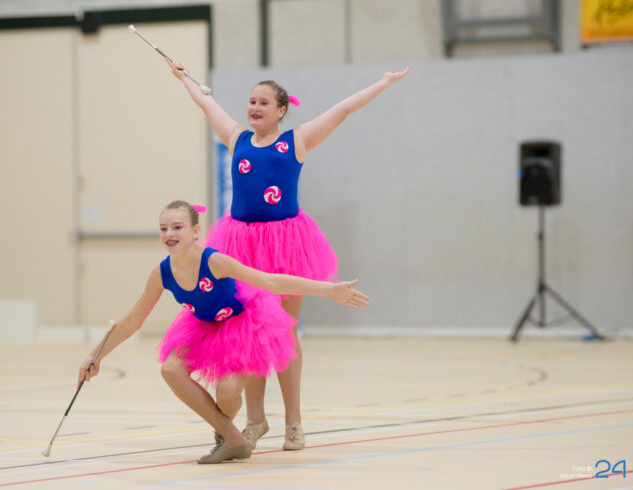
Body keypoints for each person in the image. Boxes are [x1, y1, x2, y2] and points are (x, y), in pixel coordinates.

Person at [165, 59, 411, 450]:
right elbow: (206, 103)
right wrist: (183, 79)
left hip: (286, 245)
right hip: (239, 242)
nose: (254, 108)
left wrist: (382, 83)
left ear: (281, 110)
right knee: (248, 331)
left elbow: (343, 109)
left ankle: (294, 423)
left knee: (285, 331)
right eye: (251, 101)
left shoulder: (296, 140)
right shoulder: (236, 138)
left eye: (264, 103)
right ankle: (256, 420)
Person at [78, 200, 369, 464]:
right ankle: (233, 439)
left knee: (228, 393)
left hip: (245, 323)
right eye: (164, 228)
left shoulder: (214, 261)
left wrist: (329, 289)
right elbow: (132, 320)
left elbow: (271, 281)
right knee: (170, 369)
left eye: (178, 227)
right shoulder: (162, 273)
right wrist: (95, 356)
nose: (170, 233)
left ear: (195, 231)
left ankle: (230, 435)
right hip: (204, 326)